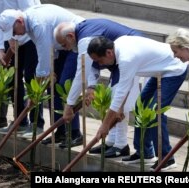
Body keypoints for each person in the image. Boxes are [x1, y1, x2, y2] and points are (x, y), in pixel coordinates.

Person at [87, 36, 187, 171]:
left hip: (174, 69)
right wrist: (119, 109)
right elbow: (125, 87)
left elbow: (122, 90)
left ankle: (167, 158)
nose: (100, 65)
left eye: (100, 60)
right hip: (158, 70)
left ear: (109, 53)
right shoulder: (117, 47)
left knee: (155, 112)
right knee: (140, 107)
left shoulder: (126, 58)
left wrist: (105, 125)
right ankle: (145, 153)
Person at [0, 4, 85, 147]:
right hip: (60, 47)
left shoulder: (37, 24)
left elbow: (43, 60)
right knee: (53, 86)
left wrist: (35, 93)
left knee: (64, 86)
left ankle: (75, 133)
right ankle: (60, 131)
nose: (15, 35)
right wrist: (47, 76)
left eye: (14, 31)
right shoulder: (29, 24)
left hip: (74, 42)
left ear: (19, 21)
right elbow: (47, 53)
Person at [53, 19, 142, 157]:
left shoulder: (84, 40)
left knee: (119, 100)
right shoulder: (82, 34)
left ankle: (121, 145)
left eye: (64, 44)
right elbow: (93, 64)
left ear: (70, 36)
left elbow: (81, 73)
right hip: (118, 58)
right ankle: (111, 142)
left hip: (132, 54)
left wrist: (69, 105)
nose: (65, 49)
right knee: (115, 97)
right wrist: (91, 87)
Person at [0, 0, 44, 139]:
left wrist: (14, 36)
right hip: (10, 32)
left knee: (31, 77)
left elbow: (31, 13)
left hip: (30, 33)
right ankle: (20, 120)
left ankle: (37, 124)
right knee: (11, 78)